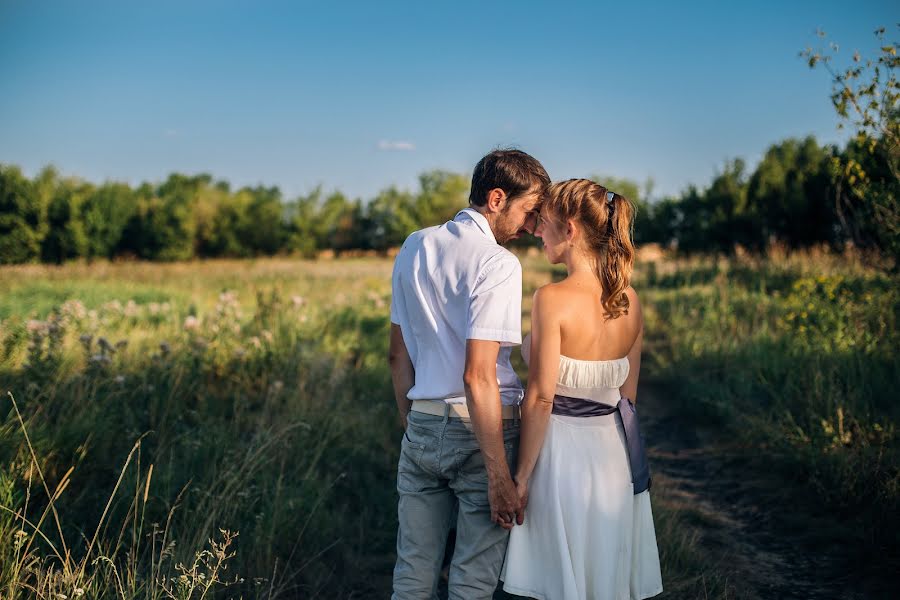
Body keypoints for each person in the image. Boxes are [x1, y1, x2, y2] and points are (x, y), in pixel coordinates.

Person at [388, 149, 550, 599]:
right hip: (484, 432)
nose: (532, 226)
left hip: (421, 421)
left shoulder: (413, 245)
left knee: (413, 570)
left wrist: (416, 425)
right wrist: (500, 475)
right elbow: (478, 375)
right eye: (529, 211)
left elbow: (397, 358)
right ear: (497, 198)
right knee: (473, 580)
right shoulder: (498, 263)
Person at [501, 179, 663, 600]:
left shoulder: (551, 299)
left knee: (561, 576)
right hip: (612, 459)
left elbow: (540, 397)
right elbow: (627, 398)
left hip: (561, 459)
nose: (537, 231)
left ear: (569, 230)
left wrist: (520, 477)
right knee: (602, 571)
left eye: (545, 224)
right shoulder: (631, 300)